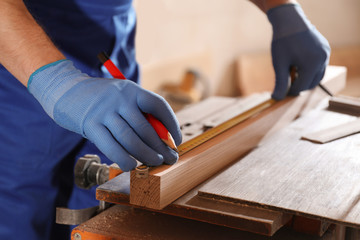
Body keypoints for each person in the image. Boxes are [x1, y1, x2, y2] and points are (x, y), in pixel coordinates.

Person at [0, 0, 330, 239]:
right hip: (21, 55)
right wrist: (55, 81)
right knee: (20, 208)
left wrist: (282, 8)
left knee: (106, 193)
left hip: (112, 45)